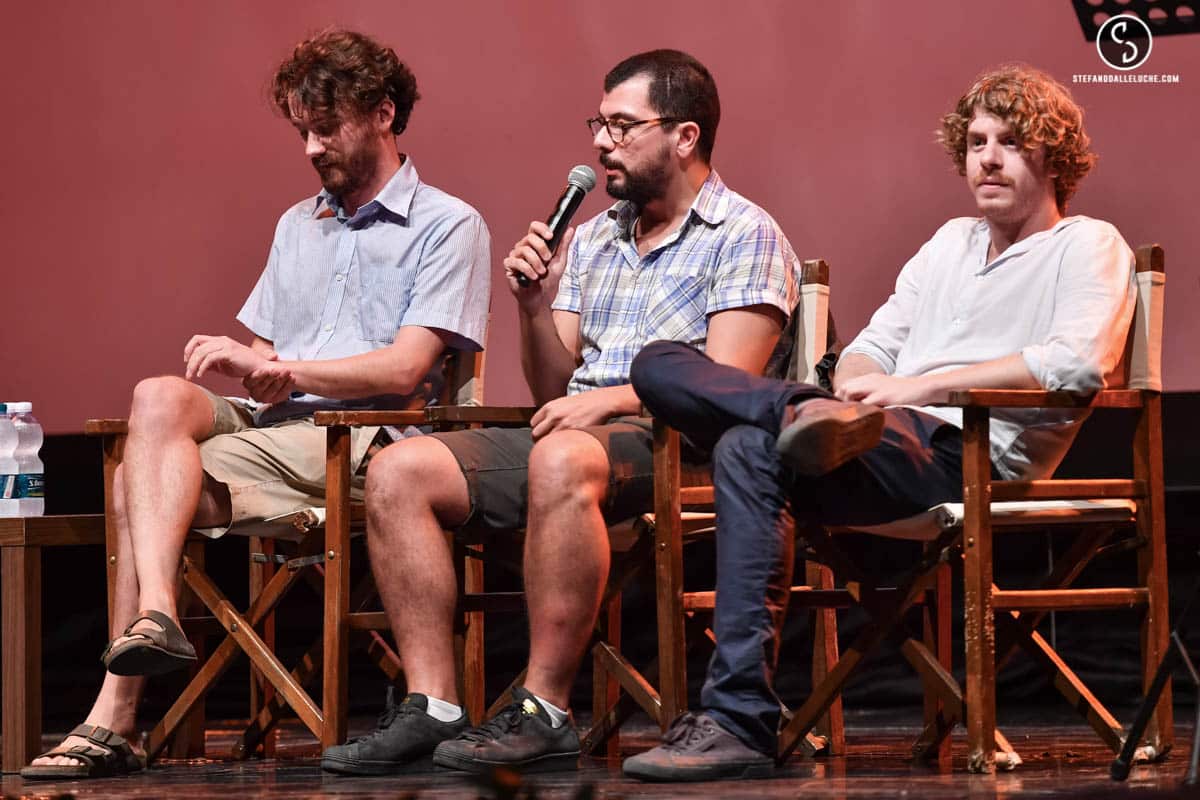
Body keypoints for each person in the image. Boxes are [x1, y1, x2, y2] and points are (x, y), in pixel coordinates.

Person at [622, 64, 1136, 782]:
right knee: (663, 366)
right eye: (976, 141)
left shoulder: (1087, 243)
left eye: (1011, 143)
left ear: (1054, 157)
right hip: (874, 442)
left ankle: (738, 714)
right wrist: (858, 391)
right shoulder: (949, 244)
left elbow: (1080, 363)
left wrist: (921, 386)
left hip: (970, 455)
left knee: (744, 441)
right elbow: (869, 348)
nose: (986, 158)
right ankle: (740, 718)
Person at [21, 29, 490, 781]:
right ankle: (160, 614)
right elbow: (268, 359)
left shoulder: (448, 223)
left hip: (364, 439)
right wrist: (245, 361)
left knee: (126, 487)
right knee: (157, 397)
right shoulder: (296, 225)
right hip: (280, 428)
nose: (310, 147)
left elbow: (407, 369)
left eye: (326, 127)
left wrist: (281, 367)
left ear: (383, 113)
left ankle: (114, 716)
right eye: (301, 129)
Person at [319, 49, 803, 776]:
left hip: (684, 442)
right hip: (578, 434)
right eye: (597, 123)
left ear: (685, 137)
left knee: (562, 454)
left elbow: (730, 384)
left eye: (621, 125)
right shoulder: (595, 237)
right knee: (400, 469)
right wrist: (534, 303)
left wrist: (610, 399)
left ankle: (543, 707)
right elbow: (553, 387)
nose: (601, 142)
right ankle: (433, 704)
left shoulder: (744, 233)